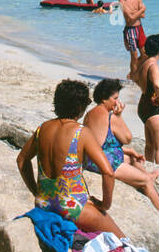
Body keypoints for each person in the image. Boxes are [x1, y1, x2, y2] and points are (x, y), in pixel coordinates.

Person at [16, 79, 121, 233]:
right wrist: (105, 205)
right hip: (72, 208)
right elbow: (108, 172)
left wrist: (35, 191)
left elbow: (22, 160)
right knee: (122, 240)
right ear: (81, 107)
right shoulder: (81, 132)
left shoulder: (43, 128)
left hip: (43, 203)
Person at [83, 79, 159, 224]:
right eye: (115, 98)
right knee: (146, 182)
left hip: (93, 159)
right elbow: (127, 137)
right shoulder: (109, 116)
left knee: (133, 158)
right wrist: (119, 116)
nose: (117, 102)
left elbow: (101, 143)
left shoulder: (90, 113)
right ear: (104, 99)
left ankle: (146, 173)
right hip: (105, 163)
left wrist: (128, 151)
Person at [133, 34, 159, 166]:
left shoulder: (143, 63)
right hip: (154, 110)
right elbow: (157, 84)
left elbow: (134, 78)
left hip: (144, 106)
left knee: (150, 146)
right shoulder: (153, 65)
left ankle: (148, 168)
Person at [119, 0, 147, 78]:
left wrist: (136, 13)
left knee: (145, 54)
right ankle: (134, 76)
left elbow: (143, 15)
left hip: (140, 28)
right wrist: (141, 9)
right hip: (130, 30)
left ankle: (132, 73)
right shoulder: (121, 1)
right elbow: (130, 18)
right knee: (134, 56)